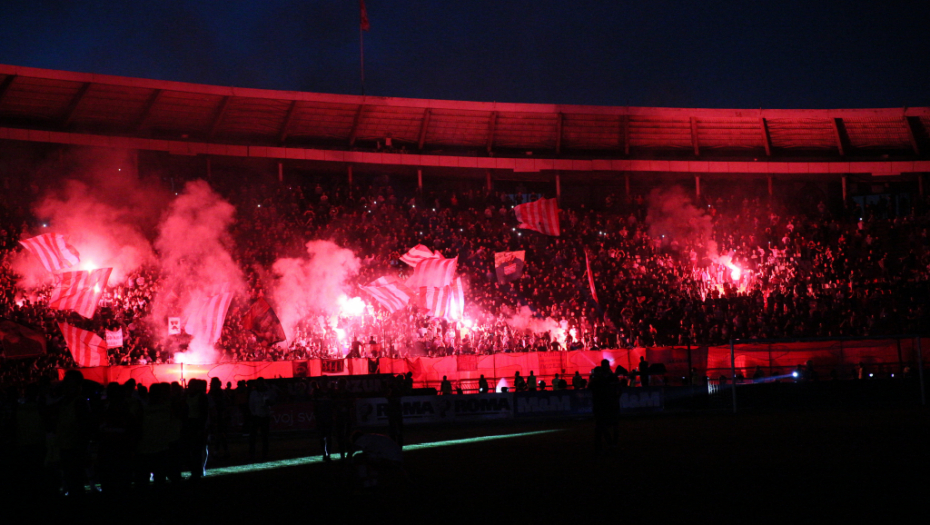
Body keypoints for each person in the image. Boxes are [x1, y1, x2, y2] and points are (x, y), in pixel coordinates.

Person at [590, 359, 620, 455]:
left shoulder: (599, 379)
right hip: (605, 405)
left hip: (603, 405)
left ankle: (606, 444)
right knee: (605, 426)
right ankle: (611, 443)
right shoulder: (606, 378)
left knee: (602, 426)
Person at [248, 377, 274, 461]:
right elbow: (251, 405)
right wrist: (254, 414)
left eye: (261, 383)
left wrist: (269, 404)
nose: (260, 385)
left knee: (264, 437)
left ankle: (264, 454)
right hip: (257, 417)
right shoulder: (254, 393)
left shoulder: (268, 392)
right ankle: (252, 453)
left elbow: (272, 402)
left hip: (265, 416)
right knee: (254, 437)